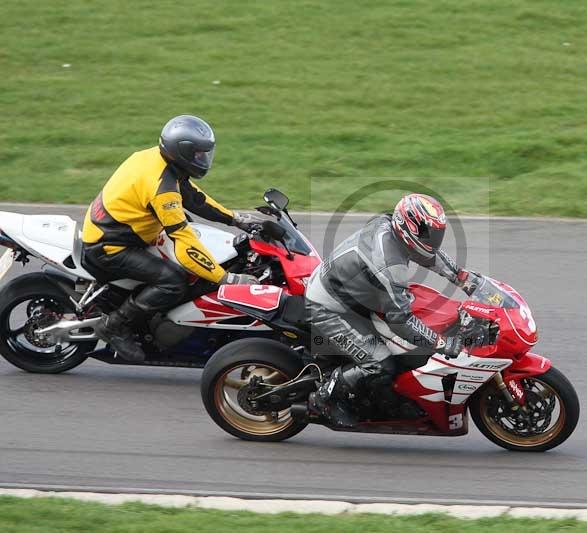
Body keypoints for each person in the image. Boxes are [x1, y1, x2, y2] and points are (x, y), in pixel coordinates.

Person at [81, 115, 262, 362]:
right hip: (110, 246)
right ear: (182, 152)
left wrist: (235, 219)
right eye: (198, 154)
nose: (203, 159)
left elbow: (193, 197)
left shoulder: (157, 160)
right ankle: (114, 326)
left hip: (121, 230)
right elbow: (184, 240)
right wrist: (225, 278)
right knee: (174, 281)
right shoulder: (162, 188)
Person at [305, 193, 481, 427]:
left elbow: (427, 254)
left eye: (437, 233)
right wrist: (441, 344)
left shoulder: (392, 226)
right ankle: (324, 399)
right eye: (429, 233)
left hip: (355, 295)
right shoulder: (388, 264)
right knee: (379, 363)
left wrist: (465, 279)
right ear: (408, 226)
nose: (434, 239)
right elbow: (401, 321)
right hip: (330, 307)